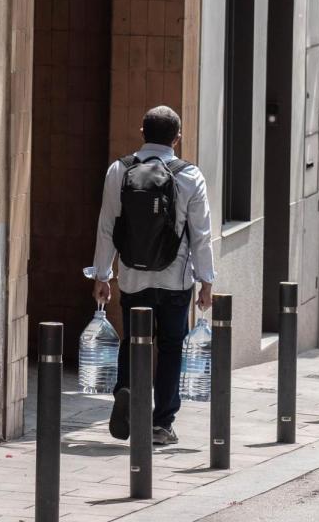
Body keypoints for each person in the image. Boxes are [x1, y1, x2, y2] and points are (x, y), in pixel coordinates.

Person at [91, 105, 214, 445]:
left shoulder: (119, 170)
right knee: (172, 346)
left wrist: (102, 275)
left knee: (134, 340)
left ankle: (127, 391)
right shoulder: (190, 176)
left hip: (133, 276)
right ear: (178, 138)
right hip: (176, 280)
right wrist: (207, 282)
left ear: (142, 133)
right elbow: (201, 234)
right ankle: (162, 423)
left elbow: (106, 227)